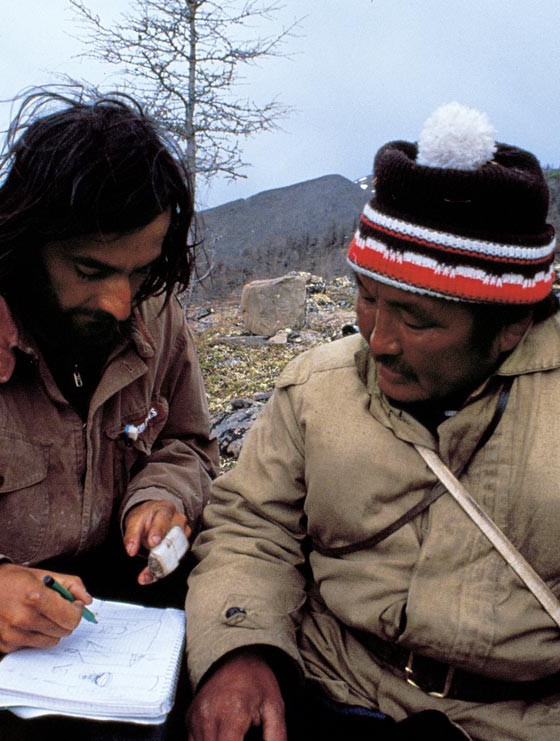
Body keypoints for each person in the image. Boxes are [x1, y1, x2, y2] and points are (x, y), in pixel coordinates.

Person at [185, 102, 560, 741]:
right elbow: (253, 529)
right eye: (367, 298)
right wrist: (239, 650)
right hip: (331, 686)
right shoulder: (316, 387)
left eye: (416, 319)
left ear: (511, 327)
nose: (378, 340)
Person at [0, 88, 219, 737]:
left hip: (121, 622)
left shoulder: (156, 315)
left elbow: (187, 442)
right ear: (25, 244)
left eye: (143, 271)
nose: (121, 304)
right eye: (90, 269)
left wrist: (162, 496)